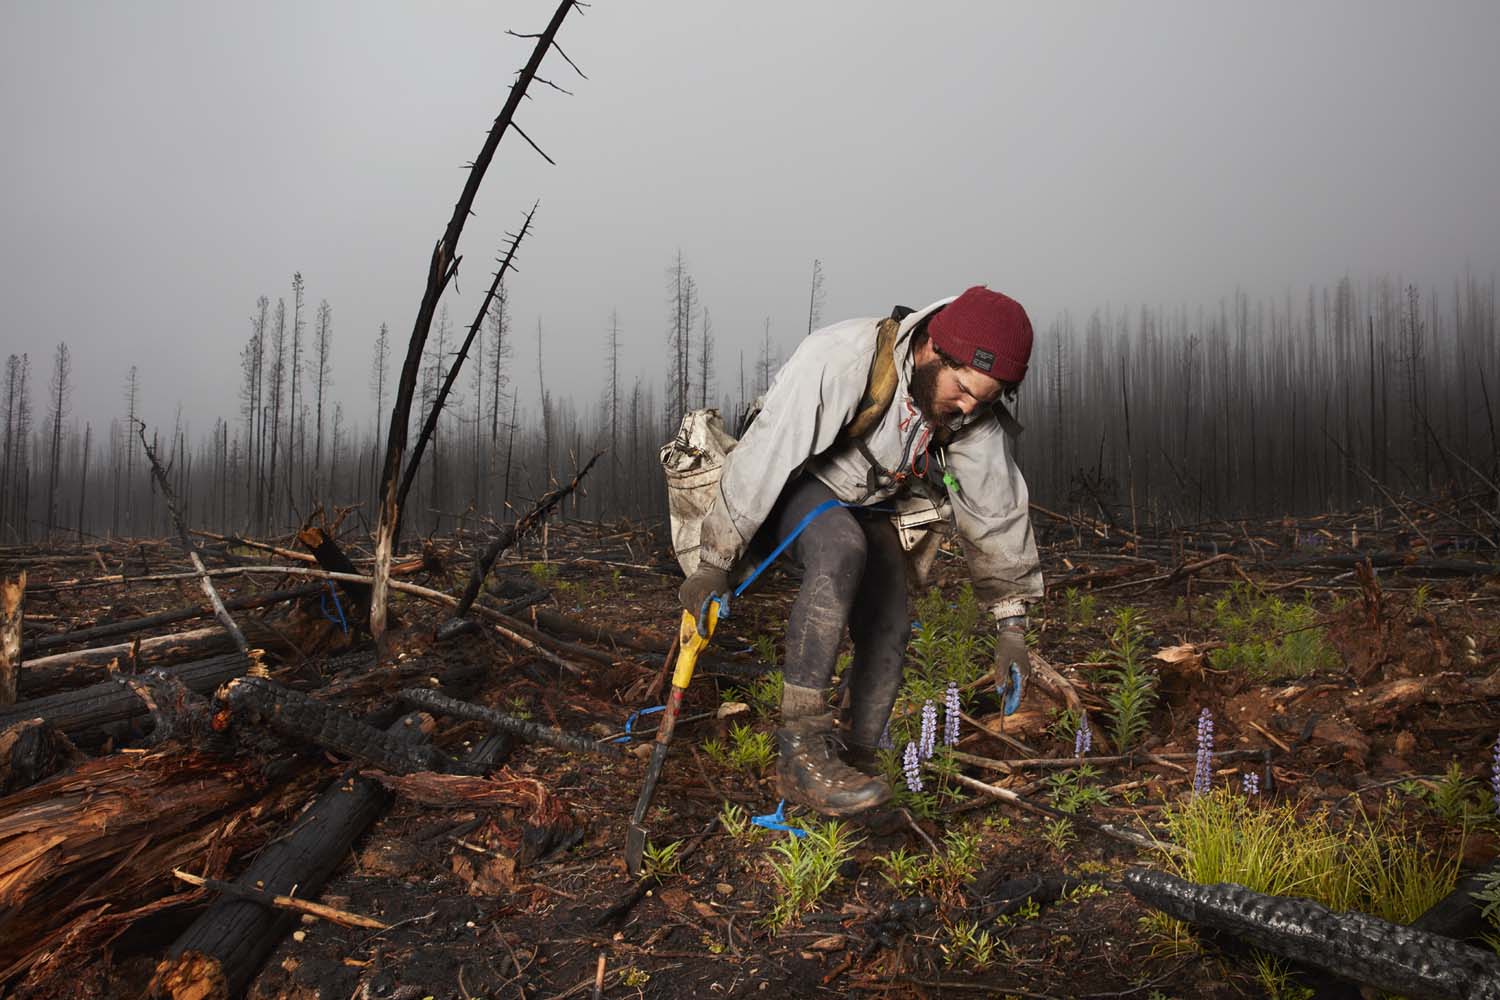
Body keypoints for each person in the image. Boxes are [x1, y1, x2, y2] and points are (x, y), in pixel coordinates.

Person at [679, 286, 1043, 816]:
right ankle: (800, 752)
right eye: (964, 389)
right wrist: (714, 562)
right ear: (931, 350)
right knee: (840, 550)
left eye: (984, 401)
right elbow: (764, 457)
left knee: (892, 611)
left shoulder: (966, 410)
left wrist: (1012, 627)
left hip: (869, 501)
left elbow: (995, 508)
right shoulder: (842, 359)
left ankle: (861, 764)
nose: (968, 408)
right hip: (793, 484)